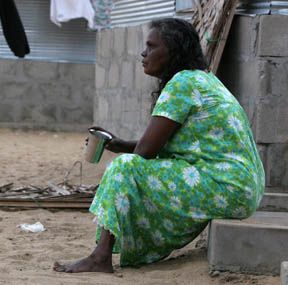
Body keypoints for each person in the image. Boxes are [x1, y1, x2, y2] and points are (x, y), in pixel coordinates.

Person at [53, 18, 265, 273]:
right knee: (130, 164)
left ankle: (100, 256)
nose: (144, 53)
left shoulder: (182, 84)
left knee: (123, 168)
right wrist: (119, 144)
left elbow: (146, 152)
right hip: (241, 187)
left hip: (226, 186)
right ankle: (103, 254)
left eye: (152, 46)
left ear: (174, 51)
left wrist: (123, 151)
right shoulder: (203, 79)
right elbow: (159, 148)